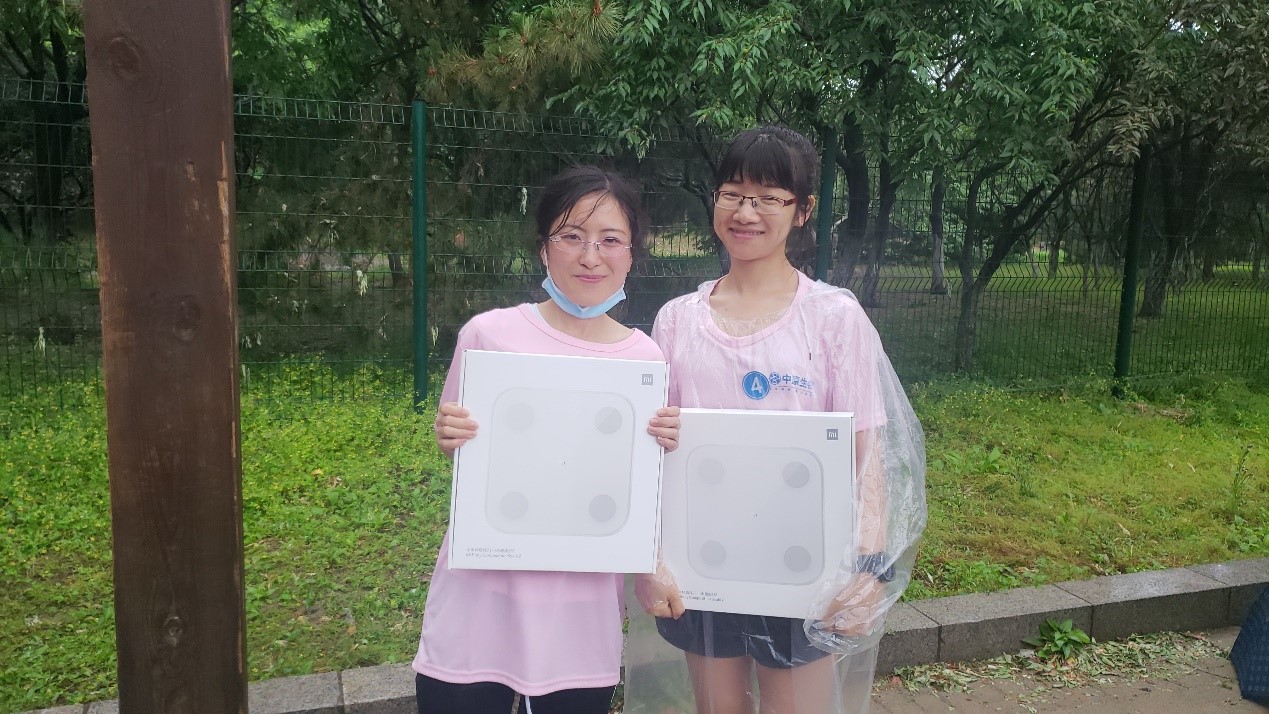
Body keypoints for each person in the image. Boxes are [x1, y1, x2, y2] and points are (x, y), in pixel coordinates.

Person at [626, 126, 926, 714]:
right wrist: (651, 556)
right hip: (702, 568)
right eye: (733, 193)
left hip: (805, 572)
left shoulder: (833, 318)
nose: (746, 212)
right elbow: (654, 450)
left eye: (768, 197)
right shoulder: (677, 321)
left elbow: (866, 454)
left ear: (803, 210)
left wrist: (868, 569)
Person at [413, 165, 681, 714]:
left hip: (579, 613)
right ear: (543, 248)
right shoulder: (489, 336)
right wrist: (450, 434)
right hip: (480, 599)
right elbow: (466, 451)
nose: (591, 257)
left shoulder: (645, 359)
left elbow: (637, 490)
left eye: (610, 240)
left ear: (632, 254)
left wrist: (664, 447)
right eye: (571, 236)